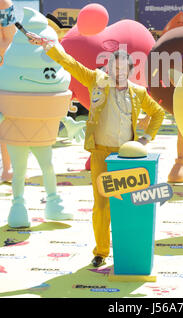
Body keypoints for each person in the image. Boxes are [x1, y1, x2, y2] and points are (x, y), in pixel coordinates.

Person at [27, 33, 165, 267]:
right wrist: (48, 45)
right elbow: (69, 62)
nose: (118, 73)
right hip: (101, 154)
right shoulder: (96, 80)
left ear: (130, 71)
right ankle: (101, 250)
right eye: (114, 67)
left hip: (126, 158)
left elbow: (158, 113)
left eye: (123, 69)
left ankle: (128, 249)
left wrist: (145, 139)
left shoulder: (138, 93)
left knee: (128, 203)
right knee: (101, 206)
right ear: (109, 67)